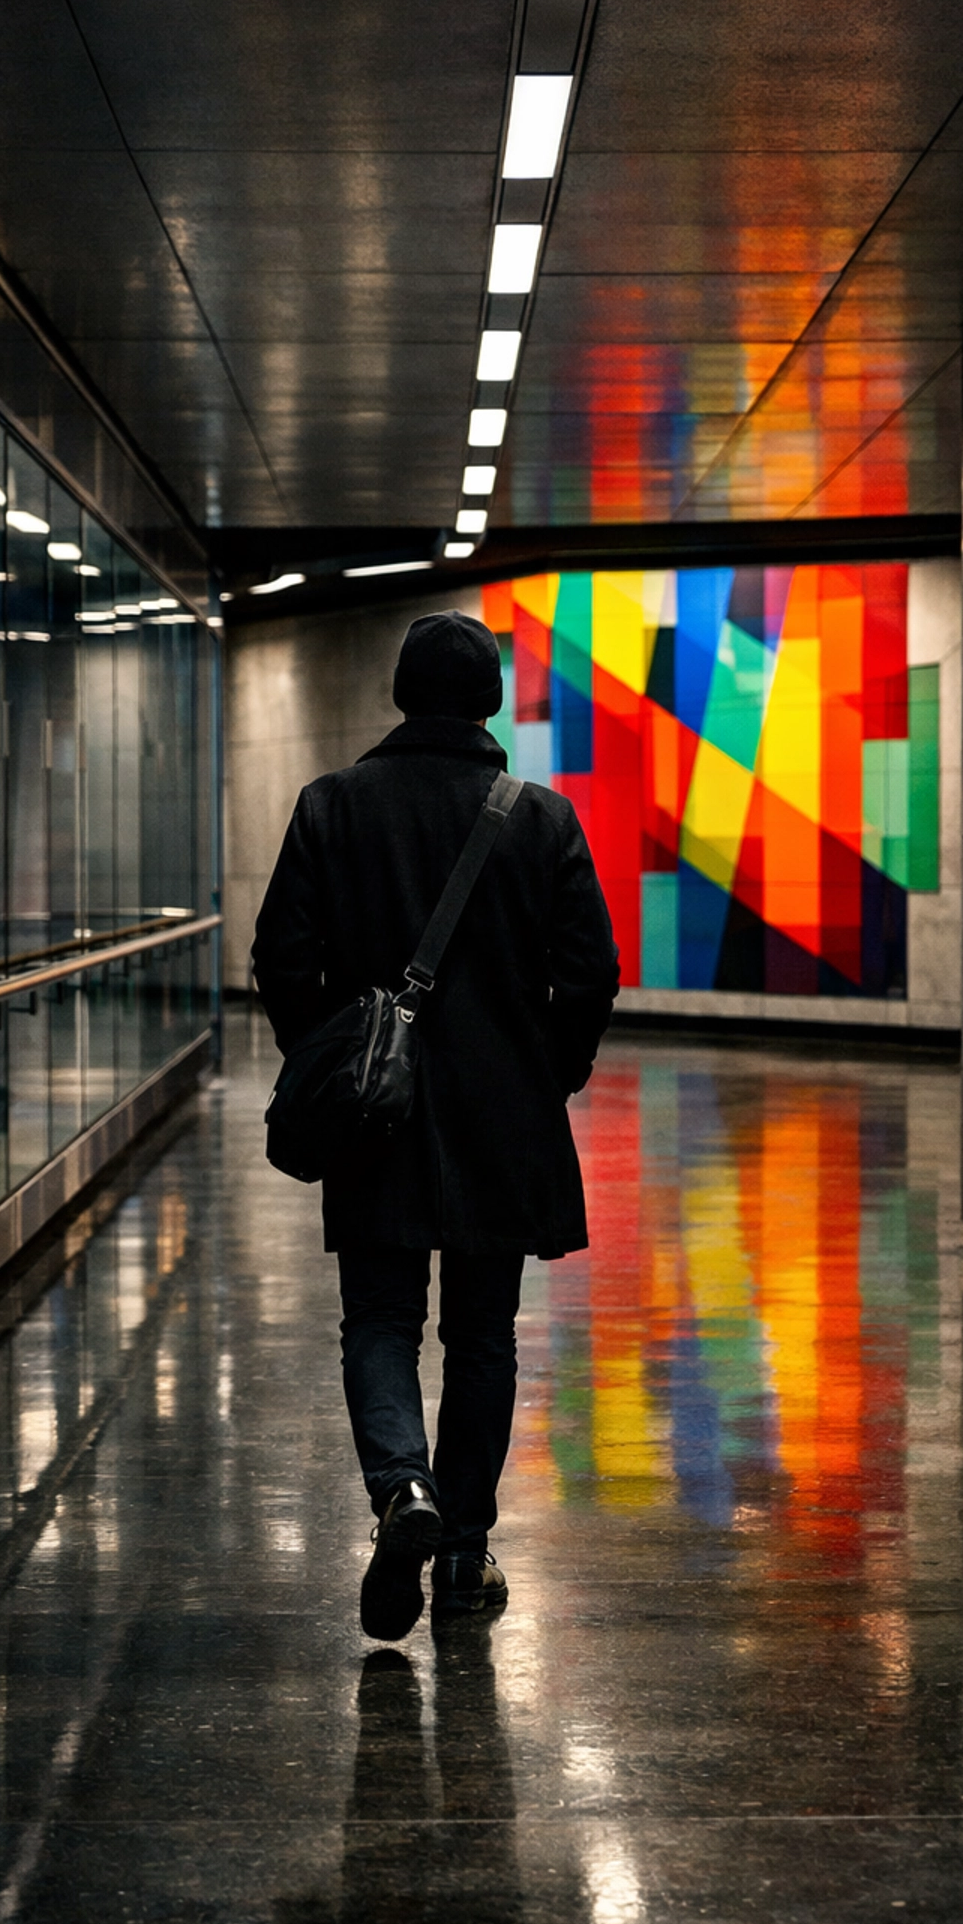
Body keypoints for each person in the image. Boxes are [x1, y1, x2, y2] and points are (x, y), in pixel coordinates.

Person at [252, 609, 619, 1641]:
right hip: (503, 1119)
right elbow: (591, 970)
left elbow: (282, 955)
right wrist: (549, 1068)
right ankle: (460, 1555)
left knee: (377, 1317)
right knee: (482, 1333)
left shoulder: (332, 807)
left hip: (378, 1117)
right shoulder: (540, 819)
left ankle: (402, 1489)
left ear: (403, 693)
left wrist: (333, 1057)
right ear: (491, 700)